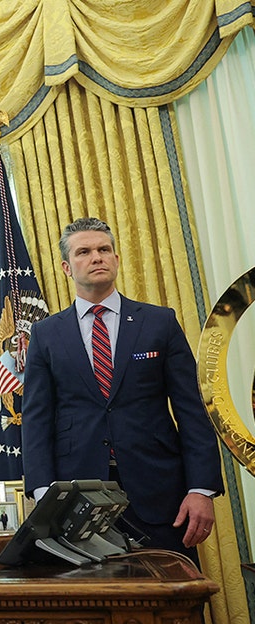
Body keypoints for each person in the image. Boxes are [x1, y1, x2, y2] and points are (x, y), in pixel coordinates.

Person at [22, 217, 223, 563]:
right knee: (92, 611)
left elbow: (193, 410)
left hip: (160, 496)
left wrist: (200, 489)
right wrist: (44, 494)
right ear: (67, 268)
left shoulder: (160, 322)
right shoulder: (46, 334)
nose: (96, 257)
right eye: (84, 252)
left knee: (173, 604)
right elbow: (36, 419)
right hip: (78, 497)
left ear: (116, 259)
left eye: (104, 249)